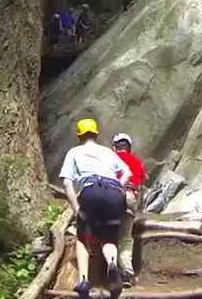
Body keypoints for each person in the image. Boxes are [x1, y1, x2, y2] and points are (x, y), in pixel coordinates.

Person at [60, 118, 130, 299]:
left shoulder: (74, 152)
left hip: (91, 190)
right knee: (109, 237)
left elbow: (67, 182)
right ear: (96, 134)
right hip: (114, 192)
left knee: (82, 236)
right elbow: (127, 172)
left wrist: (76, 209)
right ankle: (112, 264)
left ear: (79, 136)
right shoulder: (107, 151)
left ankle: (83, 280)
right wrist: (119, 188)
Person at [111, 132, 146, 282]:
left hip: (112, 196)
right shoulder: (137, 162)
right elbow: (141, 180)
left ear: (114, 147)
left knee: (108, 235)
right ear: (129, 147)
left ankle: (107, 271)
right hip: (130, 197)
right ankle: (126, 273)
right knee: (125, 237)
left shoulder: (110, 158)